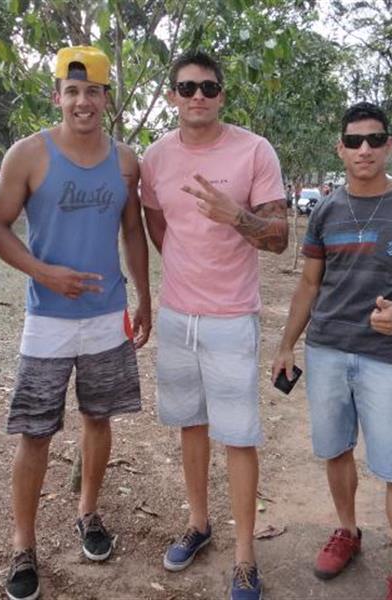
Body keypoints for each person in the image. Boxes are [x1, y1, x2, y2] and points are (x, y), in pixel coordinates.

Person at [0, 45, 151, 600]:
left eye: (93, 91)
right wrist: (43, 272)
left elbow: (132, 231)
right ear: (57, 96)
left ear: (107, 99)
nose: (83, 101)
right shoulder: (29, 154)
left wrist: (144, 297)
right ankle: (23, 545)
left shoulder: (125, 160)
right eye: (72, 91)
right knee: (35, 432)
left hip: (107, 316)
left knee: (98, 418)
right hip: (47, 319)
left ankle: (88, 513)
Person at [271, 101, 392, 600]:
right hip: (326, 350)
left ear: (389, 145)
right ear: (340, 149)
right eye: (353, 141)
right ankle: (347, 530)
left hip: (383, 357)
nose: (364, 149)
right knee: (335, 450)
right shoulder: (326, 210)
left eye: (374, 139)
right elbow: (309, 283)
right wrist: (287, 344)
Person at [140, 50, 288, 600]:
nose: (197, 96)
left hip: (231, 317)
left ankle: (246, 556)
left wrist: (236, 216)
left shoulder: (254, 150)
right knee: (191, 424)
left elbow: (279, 238)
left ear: (222, 94)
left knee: (239, 435)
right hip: (178, 316)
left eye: (207, 87)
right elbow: (158, 224)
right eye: (187, 87)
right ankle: (198, 524)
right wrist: (185, 270)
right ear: (172, 96)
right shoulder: (156, 157)